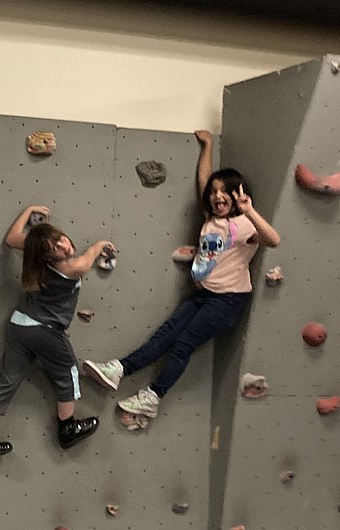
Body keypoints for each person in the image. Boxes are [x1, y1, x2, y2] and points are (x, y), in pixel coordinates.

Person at [82, 130, 281, 425]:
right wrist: (208, 146)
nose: (216, 196)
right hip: (204, 296)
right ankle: (119, 370)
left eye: (223, 192)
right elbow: (203, 180)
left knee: (183, 344)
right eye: (214, 193)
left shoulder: (242, 225)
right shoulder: (211, 220)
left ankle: (153, 397)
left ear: (237, 195)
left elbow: (274, 240)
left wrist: (250, 211)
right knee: (165, 335)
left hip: (228, 301)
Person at [0, 205, 113, 458]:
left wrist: (29, 210)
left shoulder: (35, 251)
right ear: (46, 256)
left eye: (60, 241)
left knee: (7, 381)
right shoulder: (68, 268)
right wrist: (100, 245)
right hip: (44, 330)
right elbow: (85, 262)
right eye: (54, 250)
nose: (63, 248)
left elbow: (12, 238)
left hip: (19, 325)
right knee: (69, 373)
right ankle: (67, 427)